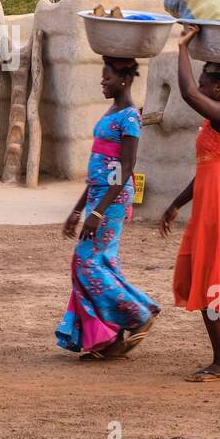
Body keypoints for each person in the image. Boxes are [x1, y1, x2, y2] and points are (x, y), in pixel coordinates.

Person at [159, 26, 220, 382]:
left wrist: (182, 46)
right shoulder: (214, 121)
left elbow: (186, 91)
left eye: (205, 85)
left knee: (209, 279)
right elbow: (206, 170)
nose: (200, 89)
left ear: (219, 88)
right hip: (213, 204)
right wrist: (176, 204)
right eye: (201, 85)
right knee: (209, 276)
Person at [56, 56, 160, 359]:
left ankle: (138, 314)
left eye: (107, 78)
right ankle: (110, 341)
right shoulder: (112, 111)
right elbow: (100, 166)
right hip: (99, 195)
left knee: (85, 262)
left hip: (112, 200)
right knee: (103, 264)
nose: (102, 82)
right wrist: (78, 210)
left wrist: (98, 212)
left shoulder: (129, 117)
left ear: (124, 80)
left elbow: (125, 167)